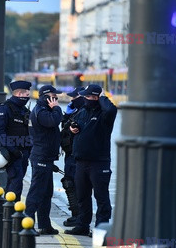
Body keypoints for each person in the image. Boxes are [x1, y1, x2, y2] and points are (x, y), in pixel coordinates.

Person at [64, 84, 117, 236]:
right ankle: (82, 225)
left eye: (88, 96)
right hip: (81, 161)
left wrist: (103, 97)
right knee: (82, 196)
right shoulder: (83, 111)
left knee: (101, 198)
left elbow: (111, 109)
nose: (85, 99)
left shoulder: (104, 114)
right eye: (85, 96)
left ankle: (101, 229)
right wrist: (72, 129)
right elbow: (72, 124)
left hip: (99, 162)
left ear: (96, 97)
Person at [25, 85, 63, 235]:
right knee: (37, 191)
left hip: (46, 156)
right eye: (54, 96)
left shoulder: (44, 110)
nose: (57, 99)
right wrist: (57, 109)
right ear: (47, 97)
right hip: (41, 156)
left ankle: (45, 225)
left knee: (47, 192)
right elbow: (53, 122)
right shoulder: (41, 111)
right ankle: (27, 223)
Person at [0, 80, 32, 201]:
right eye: (27, 94)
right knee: (15, 183)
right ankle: (12, 214)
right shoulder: (4, 108)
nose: (28, 96)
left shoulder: (24, 110)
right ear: (19, 94)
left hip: (23, 153)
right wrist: (13, 150)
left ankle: (11, 212)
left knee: (16, 182)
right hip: (12, 153)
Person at [59, 86, 85, 226]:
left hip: (78, 153)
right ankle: (76, 215)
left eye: (75, 97)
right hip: (69, 152)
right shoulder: (71, 110)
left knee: (76, 183)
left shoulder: (85, 112)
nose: (72, 99)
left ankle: (79, 216)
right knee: (69, 182)